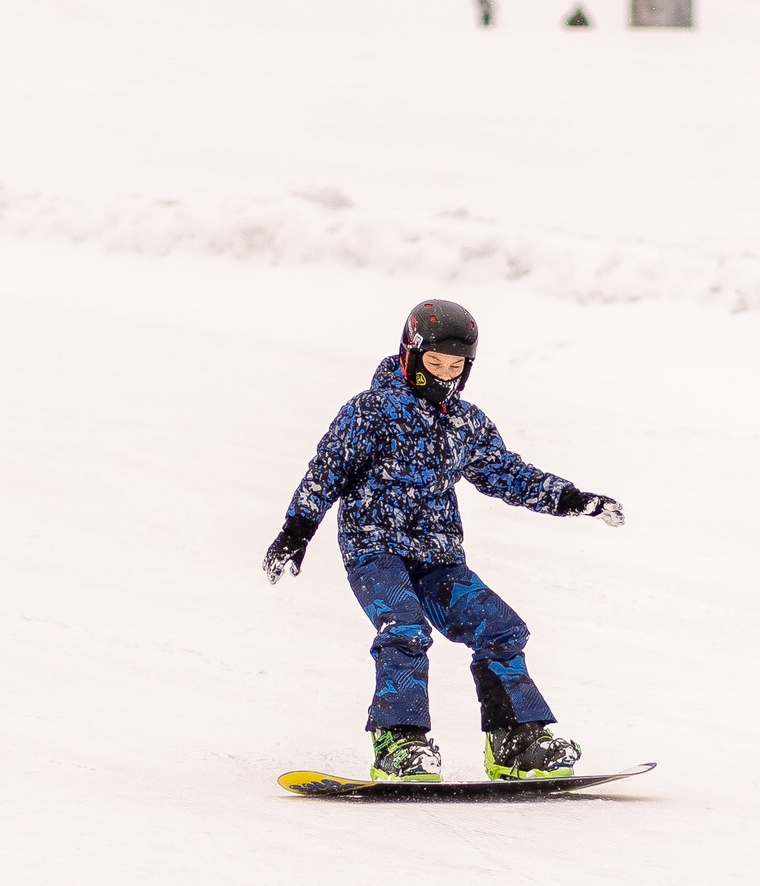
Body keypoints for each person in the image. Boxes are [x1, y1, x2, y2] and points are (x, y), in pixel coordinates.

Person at [265, 300, 623, 783]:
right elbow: (327, 470)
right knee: (405, 629)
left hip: (439, 559)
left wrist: (572, 499)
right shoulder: (371, 411)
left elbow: (506, 473)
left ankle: (516, 742)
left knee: (501, 629)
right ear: (410, 355)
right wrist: (296, 530)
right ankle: (399, 741)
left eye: (457, 367)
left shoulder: (465, 422)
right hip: (375, 551)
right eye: (435, 364)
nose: (445, 376)